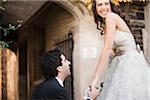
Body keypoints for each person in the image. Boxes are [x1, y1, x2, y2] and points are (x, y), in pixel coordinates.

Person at [86, 0, 150, 100]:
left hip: (130, 64)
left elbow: (106, 49)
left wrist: (94, 79)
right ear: (95, 8)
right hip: (121, 63)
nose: (104, 7)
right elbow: (111, 51)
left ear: (111, 6)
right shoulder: (106, 25)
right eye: (100, 5)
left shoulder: (111, 17)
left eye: (106, 4)